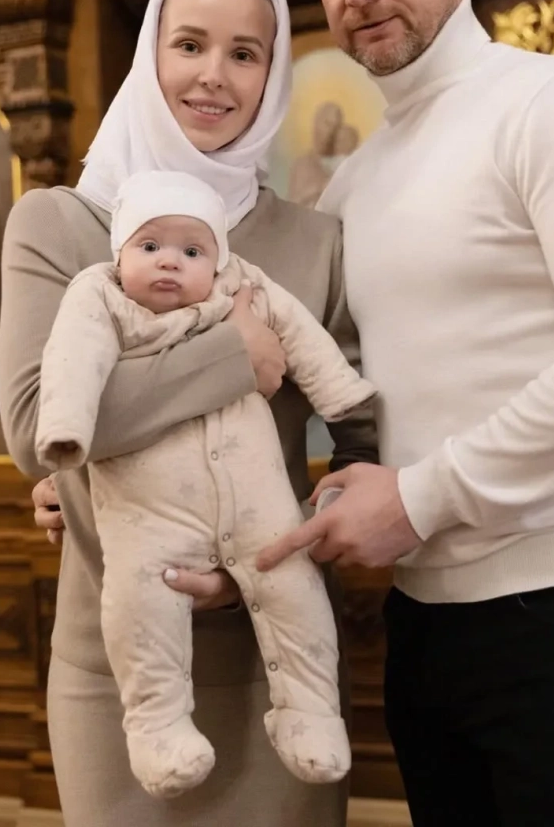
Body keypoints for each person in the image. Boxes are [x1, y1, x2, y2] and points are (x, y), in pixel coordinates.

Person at [257, 0, 554, 826]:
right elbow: (327, 386)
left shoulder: (552, 104)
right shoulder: (354, 180)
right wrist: (104, 474)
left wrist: (422, 496)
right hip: (426, 625)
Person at [0, 0, 376, 826]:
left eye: (245, 53)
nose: (214, 75)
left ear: (273, 74)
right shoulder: (58, 224)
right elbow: (35, 426)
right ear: (150, 54)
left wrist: (261, 561)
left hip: (281, 661)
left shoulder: (313, 241)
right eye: (190, 44)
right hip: (116, 666)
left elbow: (362, 444)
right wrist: (234, 355)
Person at [37, 169, 372, 798]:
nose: (170, 262)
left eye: (192, 251)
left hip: (258, 506)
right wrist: (63, 431)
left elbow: (303, 336)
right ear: (120, 252)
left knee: (296, 593)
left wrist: (342, 395)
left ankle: (310, 713)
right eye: (150, 246)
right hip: (150, 514)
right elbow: (72, 361)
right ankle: (158, 727)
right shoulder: (101, 295)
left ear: (217, 261)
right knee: (140, 606)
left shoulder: (242, 287)